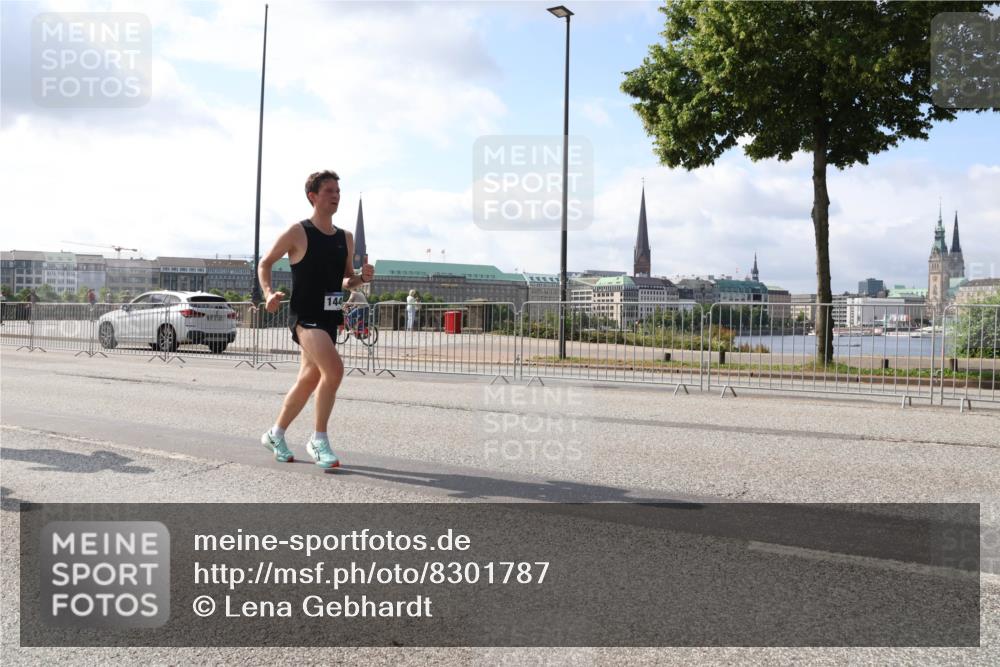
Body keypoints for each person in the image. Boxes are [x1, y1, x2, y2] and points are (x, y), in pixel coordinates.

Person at [257, 170, 375, 469]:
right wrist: (268, 292)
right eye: (329, 191)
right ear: (313, 196)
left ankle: (275, 433)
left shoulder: (344, 238)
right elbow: (265, 262)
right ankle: (318, 439)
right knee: (334, 370)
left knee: (309, 379)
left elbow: (346, 281)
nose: (336, 196)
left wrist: (360, 278)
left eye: (338, 191)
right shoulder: (298, 232)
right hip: (305, 317)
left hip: (330, 317)